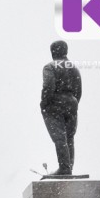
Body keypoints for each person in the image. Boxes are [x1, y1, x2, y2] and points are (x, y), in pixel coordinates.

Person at [40, 40, 82, 176]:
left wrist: (45, 103)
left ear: (53, 52)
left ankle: (64, 168)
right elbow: (78, 90)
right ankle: (68, 166)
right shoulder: (74, 68)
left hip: (55, 104)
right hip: (72, 103)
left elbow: (48, 87)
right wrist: (72, 102)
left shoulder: (50, 67)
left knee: (60, 138)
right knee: (69, 137)